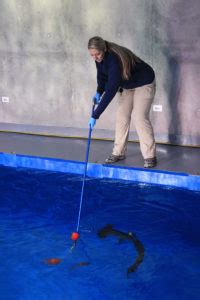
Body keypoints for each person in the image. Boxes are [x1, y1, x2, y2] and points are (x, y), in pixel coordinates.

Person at [88, 36, 157, 168]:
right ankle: (119, 152)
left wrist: (95, 115)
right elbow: (102, 77)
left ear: (104, 49)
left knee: (140, 117)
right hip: (127, 85)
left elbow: (111, 90)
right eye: (92, 55)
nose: (95, 58)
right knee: (122, 117)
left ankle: (150, 156)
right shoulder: (99, 58)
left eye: (97, 54)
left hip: (144, 82)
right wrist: (98, 91)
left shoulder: (114, 61)